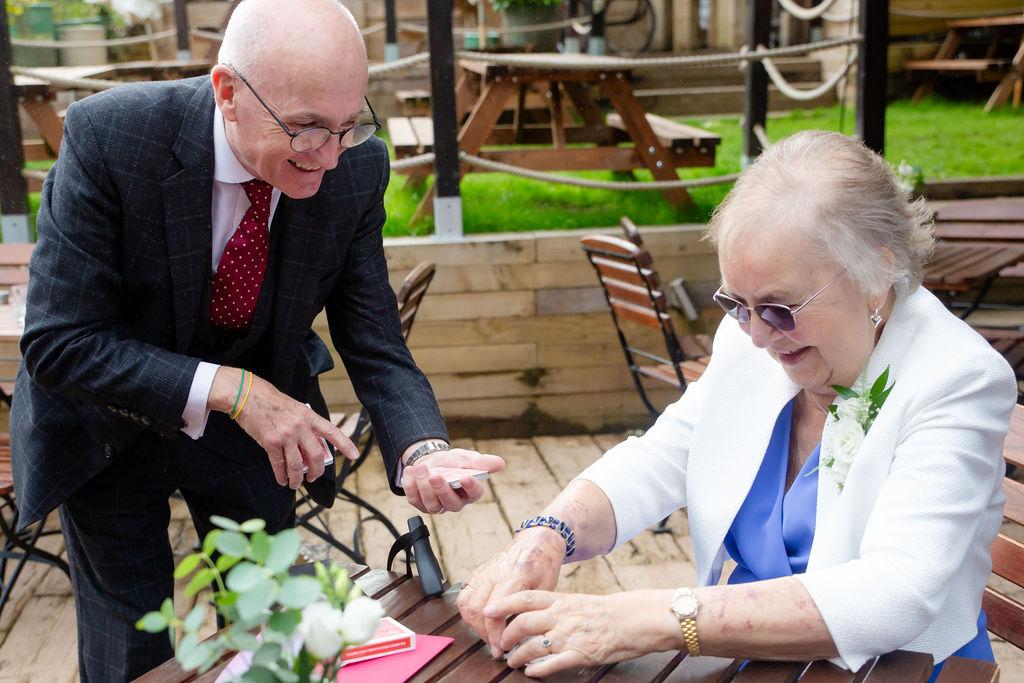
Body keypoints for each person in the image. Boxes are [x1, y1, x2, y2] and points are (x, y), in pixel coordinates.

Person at [10, 1, 503, 679]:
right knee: (131, 646)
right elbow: (60, 342)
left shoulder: (356, 168)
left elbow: (374, 339)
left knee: (271, 622)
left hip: (254, 431)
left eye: (348, 125)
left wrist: (423, 449)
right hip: (107, 418)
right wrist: (234, 390)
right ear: (228, 93)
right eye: (306, 127)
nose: (329, 154)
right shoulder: (113, 135)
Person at [458, 130, 1015, 679]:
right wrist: (546, 537)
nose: (756, 335)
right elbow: (661, 458)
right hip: (758, 662)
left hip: (900, 670)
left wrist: (649, 618)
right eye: (735, 304)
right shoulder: (752, 340)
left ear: (876, 274)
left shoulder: (957, 378)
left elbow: (894, 593)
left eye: (779, 307)